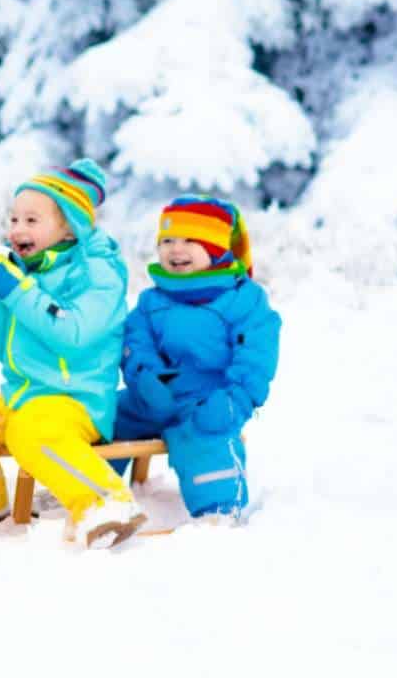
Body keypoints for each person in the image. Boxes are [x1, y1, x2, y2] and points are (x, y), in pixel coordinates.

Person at [0, 159, 147, 548]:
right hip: (24, 394)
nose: (17, 230)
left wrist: (17, 291)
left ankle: (106, 503)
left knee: (32, 431)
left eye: (31, 220)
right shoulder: (29, 273)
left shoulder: (98, 272)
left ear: (70, 225)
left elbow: (73, 334)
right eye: (13, 220)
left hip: (74, 401)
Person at [111, 196, 281, 522]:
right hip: (154, 393)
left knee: (205, 438)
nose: (176, 249)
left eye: (190, 240)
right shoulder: (152, 299)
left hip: (208, 399)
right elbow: (135, 341)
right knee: (104, 417)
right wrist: (144, 375)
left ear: (216, 249)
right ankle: (86, 491)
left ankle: (216, 511)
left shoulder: (242, 298)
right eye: (167, 241)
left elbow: (256, 354)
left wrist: (236, 399)